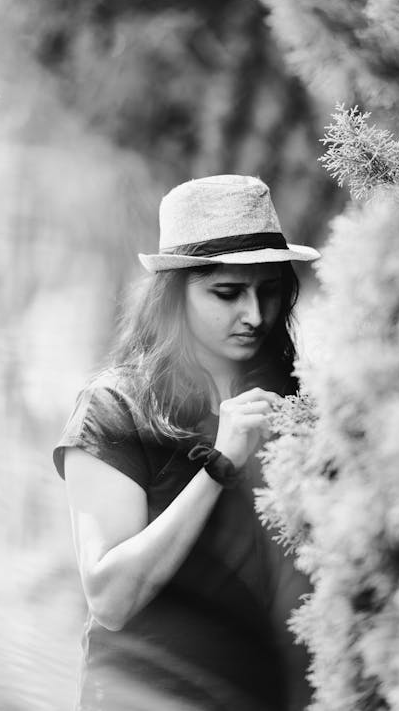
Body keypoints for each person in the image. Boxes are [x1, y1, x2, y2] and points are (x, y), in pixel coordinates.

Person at [52, 175, 320, 711]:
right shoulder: (114, 408)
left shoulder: (298, 398)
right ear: (176, 294)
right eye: (227, 293)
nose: (256, 315)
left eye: (270, 291)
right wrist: (220, 466)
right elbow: (110, 599)